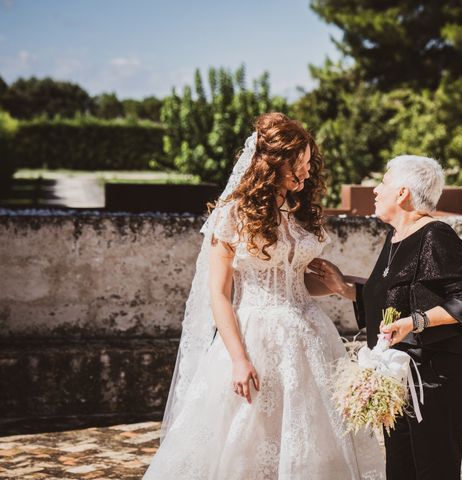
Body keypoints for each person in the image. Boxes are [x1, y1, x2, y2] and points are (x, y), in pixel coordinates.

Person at [143, 113, 384, 479]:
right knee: (250, 436)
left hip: (311, 336)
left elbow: (299, 283)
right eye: (297, 166)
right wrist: (239, 359)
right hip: (255, 337)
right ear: (271, 163)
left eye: (307, 165)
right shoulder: (232, 215)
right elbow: (220, 296)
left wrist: (336, 286)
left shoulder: (296, 214)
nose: (304, 174)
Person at [309, 155, 462, 480]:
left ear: (403, 193)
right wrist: (346, 289)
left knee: (432, 469)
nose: (376, 190)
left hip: (433, 380)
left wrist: (414, 323)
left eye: (383, 182)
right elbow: (396, 299)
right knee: (401, 470)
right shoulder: (395, 238)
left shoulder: (436, 235)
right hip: (398, 378)